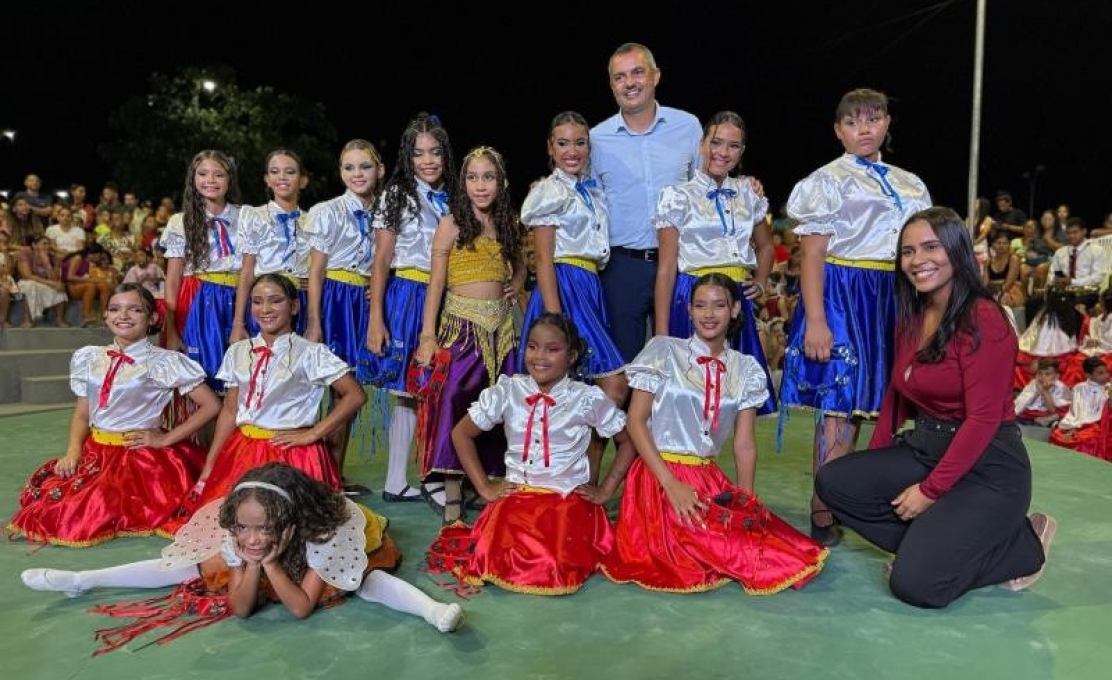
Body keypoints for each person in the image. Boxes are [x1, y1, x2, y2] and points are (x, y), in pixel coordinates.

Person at [815, 207, 1056, 609]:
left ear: (957, 251)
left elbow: (981, 420)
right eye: (908, 251)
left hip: (987, 468)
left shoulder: (984, 320)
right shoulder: (914, 313)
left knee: (916, 587)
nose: (917, 260)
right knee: (836, 483)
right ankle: (931, 548)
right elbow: (897, 394)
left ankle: (1022, 547)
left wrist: (930, 492)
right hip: (926, 448)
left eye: (930, 247)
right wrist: (874, 465)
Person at [20, 463, 462, 656]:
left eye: (261, 529)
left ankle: (432, 609)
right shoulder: (241, 532)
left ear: (287, 524)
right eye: (242, 528)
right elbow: (241, 609)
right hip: (281, 545)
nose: (250, 538)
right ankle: (83, 578)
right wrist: (251, 560)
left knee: (361, 582)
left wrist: (270, 562)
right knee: (192, 565)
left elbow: (300, 608)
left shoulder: (324, 532)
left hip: (335, 536)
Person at [601, 273, 829, 594]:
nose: (709, 314)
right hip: (658, 476)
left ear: (735, 309)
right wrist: (670, 483)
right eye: (700, 306)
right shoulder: (663, 351)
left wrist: (745, 500)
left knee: (752, 544)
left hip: (708, 477)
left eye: (719, 305)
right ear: (689, 311)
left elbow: (744, 443)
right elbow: (636, 422)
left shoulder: (746, 368)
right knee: (699, 550)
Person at [778, 87, 932, 546]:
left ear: (886, 122)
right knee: (838, 408)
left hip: (895, 298)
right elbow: (811, 256)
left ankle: (855, 499)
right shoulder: (824, 182)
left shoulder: (910, 183)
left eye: (872, 119)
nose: (863, 129)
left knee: (874, 407)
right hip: (842, 295)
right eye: (852, 122)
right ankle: (822, 508)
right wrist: (818, 320)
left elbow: (924, 250)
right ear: (837, 130)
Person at [6, 283, 221, 546]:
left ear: (152, 318)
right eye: (115, 309)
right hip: (96, 452)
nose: (124, 315)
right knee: (57, 507)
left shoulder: (163, 361)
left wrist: (165, 439)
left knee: (93, 511)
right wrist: (73, 451)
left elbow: (212, 405)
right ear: (106, 316)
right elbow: (83, 414)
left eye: (135, 310)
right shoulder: (89, 358)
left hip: (140, 458)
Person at [442, 314, 636, 594]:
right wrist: (484, 486)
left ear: (571, 356)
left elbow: (628, 442)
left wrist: (605, 490)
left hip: (566, 500)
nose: (539, 357)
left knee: (552, 562)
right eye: (532, 347)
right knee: (496, 555)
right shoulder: (508, 391)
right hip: (517, 496)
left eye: (552, 349)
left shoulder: (586, 398)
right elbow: (461, 433)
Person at [169, 274, 367, 531]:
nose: (265, 309)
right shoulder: (238, 351)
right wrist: (210, 464)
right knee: (233, 526)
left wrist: (313, 434)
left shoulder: (311, 352)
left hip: (292, 454)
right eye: (257, 302)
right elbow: (230, 411)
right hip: (244, 449)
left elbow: (355, 395)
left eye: (275, 301)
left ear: (294, 306)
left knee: (294, 528)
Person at [413, 146, 525, 525]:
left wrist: (518, 282)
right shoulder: (451, 223)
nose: (481, 185)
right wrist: (428, 336)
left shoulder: (508, 221)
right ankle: (454, 494)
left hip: (503, 329)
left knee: (499, 405)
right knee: (455, 403)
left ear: (501, 182)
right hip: (462, 329)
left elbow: (524, 264)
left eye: (488, 177)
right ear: (463, 183)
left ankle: (488, 482)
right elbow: (436, 285)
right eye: (473, 178)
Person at [518, 111, 628, 481]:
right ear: (550, 147)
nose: (572, 150)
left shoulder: (593, 191)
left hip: (590, 286)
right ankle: (567, 477)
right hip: (564, 288)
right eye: (563, 142)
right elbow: (545, 261)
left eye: (580, 142)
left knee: (584, 390)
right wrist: (555, 320)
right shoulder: (548, 191)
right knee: (612, 383)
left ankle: (583, 478)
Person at [652, 110, 777, 415]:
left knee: (737, 398)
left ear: (742, 152)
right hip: (692, 295)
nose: (722, 152)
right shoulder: (677, 195)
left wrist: (760, 281)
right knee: (690, 396)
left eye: (733, 146)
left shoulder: (749, 193)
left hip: (736, 302)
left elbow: (766, 245)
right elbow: (667, 267)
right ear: (702, 143)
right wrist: (662, 333)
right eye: (716, 142)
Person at [363, 112, 457, 506]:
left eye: (434, 152)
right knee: (409, 388)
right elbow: (382, 259)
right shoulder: (396, 193)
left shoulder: (453, 194)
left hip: (445, 295)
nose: (428, 160)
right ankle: (400, 478)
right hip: (408, 292)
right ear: (408, 157)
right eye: (419, 154)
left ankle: (421, 474)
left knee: (431, 389)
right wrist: (376, 318)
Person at [590, 42, 703, 365]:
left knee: (684, 360)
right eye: (620, 77)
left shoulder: (689, 127)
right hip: (622, 268)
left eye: (638, 72)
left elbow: (706, 187)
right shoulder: (597, 139)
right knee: (622, 366)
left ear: (656, 76)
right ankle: (629, 418)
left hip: (683, 264)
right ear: (612, 85)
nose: (630, 83)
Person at [306, 139, 385, 483]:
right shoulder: (327, 210)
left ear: (379, 170)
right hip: (334, 300)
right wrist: (314, 320)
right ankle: (316, 472)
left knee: (348, 390)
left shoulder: (384, 211)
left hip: (362, 303)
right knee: (328, 388)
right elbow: (316, 271)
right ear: (340, 172)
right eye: (349, 167)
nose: (357, 174)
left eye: (364, 166)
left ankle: (334, 473)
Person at [161, 150, 243, 391]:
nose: (211, 180)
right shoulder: (180, 221)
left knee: (237, 379)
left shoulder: (246, 217)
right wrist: (172, 328)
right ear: (193, 179)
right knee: (202, 380)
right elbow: (173, 280)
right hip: (197, 299)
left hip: (238, 298)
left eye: (219, 174)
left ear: (230, 179)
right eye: (203, 174)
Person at [233, 149, 312, 341]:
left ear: (303, 180)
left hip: (302, 303)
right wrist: (238, 323)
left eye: (290, 172)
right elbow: (247, 271)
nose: (282, 177)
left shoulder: (314, 220)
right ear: (267, 179)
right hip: (266, 302)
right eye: (275, 172)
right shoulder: (254, 216)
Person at [1048, 356, 1112, 461]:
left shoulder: (1109, 388)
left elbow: (1107, 413)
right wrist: (1074, 427)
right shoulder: (1080, 388)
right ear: (1088, 375)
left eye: (1106, 372)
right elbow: (1077, 410)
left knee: (1090, 439)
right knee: (1058, 435)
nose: (1106, 376)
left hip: (1102, 424)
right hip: (1080, 422)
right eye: (1100, 373)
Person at [15, 234, 69, 327]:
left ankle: (59, 319)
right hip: (26, 282)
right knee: (29, 285)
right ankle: (27, 319)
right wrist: (49, 283)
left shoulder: (54, 257)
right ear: (34, 245)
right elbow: (26, 275)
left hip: (44, 283)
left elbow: (55, 279)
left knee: (60, 286)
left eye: (48, 244)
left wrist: (47, 263)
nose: (47, 247)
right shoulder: (24, 253)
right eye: (44, 244)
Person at [1013, 358, 1071, 427]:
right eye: (1040, 373)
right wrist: (1037, 392)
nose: (1042, 377)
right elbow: (1024, 402)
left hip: (1047, 414)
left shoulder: (1060, 387)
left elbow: (1053, 410)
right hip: (1031, 413)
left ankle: (1048, 422)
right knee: (1017, 415)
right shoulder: (1034, 383)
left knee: (1064, 414)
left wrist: (1045, 391)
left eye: (1047, 374)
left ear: (1056, 376)